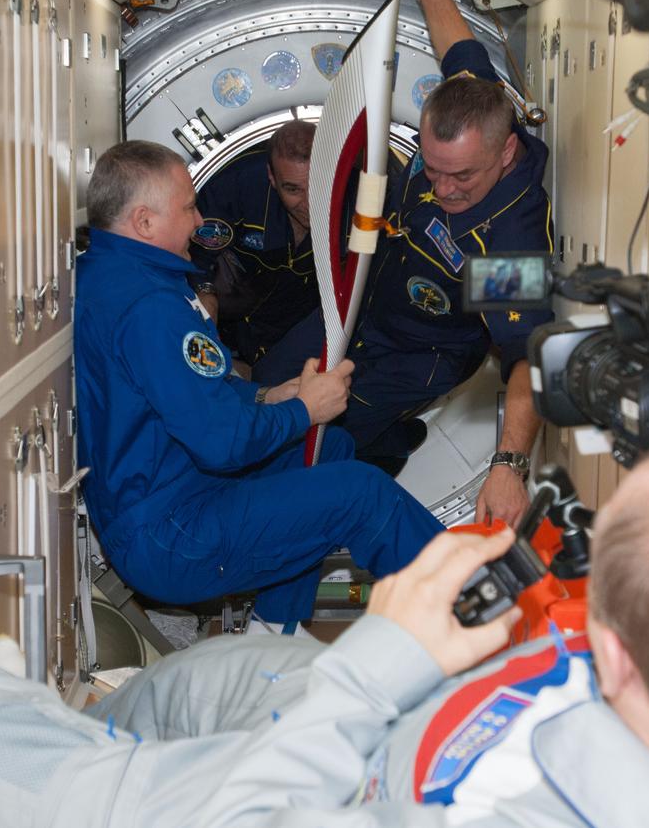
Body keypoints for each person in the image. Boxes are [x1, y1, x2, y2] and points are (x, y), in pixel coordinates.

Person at [0, 414, 649, 827]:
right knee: (189, 683)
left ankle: (57, 752)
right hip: (373, 713)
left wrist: (374, 668)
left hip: (300, 788)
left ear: (615, 658)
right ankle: (87, 727)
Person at [72, 140, 444, 633]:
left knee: (328, 447)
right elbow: (221, 443)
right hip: (171, 532)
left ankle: (273, 631)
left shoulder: (117, 274)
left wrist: (272, 396)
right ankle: (481, 608)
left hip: (167, 492)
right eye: (188, 208)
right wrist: (304, 410)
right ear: (143, 221)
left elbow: (192, 392)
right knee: (364, 493)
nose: (199, 220)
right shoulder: (150, 308)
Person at [254, 0, 555, 521]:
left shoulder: (507, 240)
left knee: (318, 441)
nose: (443, 190)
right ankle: (394, 439)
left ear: (507, 151)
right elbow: (459, 48)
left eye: (462, 176)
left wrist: (508, 466)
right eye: (431, 169)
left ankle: (381, 448)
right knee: (265, 386)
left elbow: (525, 359)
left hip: (415, 355)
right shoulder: (473, 100)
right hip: (362, 307)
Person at [188, 120, 325, 366]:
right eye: (293, 190)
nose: (309, 203)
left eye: (318, 185)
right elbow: (194, 255)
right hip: (239, 292)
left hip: (302, 308)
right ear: (272, 176)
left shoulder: (360, 194)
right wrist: (205, 293)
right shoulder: (238, 186)